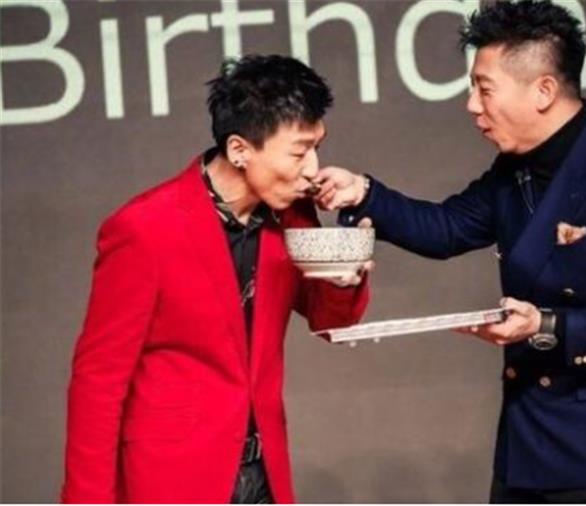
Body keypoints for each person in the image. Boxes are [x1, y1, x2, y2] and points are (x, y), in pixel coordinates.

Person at [314, 1, 586, 502]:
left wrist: (545, 325)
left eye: (484, 88)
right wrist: (363, 193)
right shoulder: (513, 170)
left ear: (544, 91)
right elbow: (447, 228)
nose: (472, 105)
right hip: (527, 448)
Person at [61, 55, 371, 503]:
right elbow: (99, 382)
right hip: (174, 479)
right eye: (299, 151)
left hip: (264, 474)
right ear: (240, 149)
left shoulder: (291, 213)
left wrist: (343, 276)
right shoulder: (145, 228)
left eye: (317, 146)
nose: (313, 167)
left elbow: (330, 321)